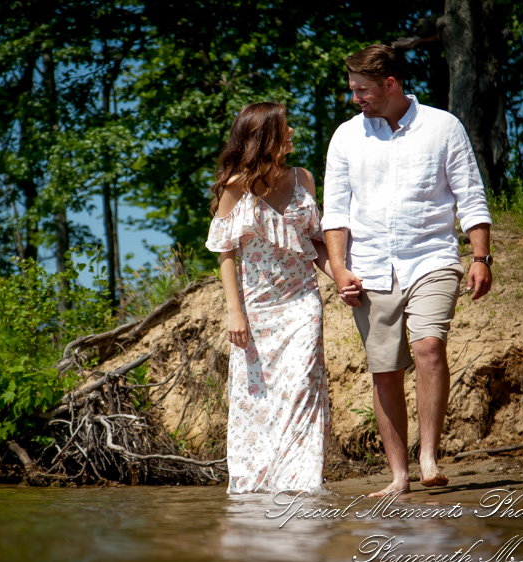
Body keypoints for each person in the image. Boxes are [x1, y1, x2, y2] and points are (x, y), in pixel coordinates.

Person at [322, 45, 493, 497]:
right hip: (370, 269)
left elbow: (471, 196)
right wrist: (339, 269)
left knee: (430, 347)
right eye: (352, 88)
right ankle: (398, 476)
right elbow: (336, 212)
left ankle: (429, 458)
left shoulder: (443, 127)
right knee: (385, 370)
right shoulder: (345, 137)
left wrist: (480, 257)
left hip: (432, 257)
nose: (354, 97)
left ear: (390, 84)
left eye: (361, 89)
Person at [206, 102, 333, 494]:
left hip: (302, 304)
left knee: (302, 390)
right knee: (256, 401)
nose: (293, 132)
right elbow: (226, 253)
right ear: (265, 137)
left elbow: (316, 242)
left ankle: (301, 486)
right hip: (257, 312)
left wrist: (343, 278)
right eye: (285, 127)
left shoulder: (303, 179)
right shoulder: (234, 188)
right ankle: (256, 488)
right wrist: (234, 311)